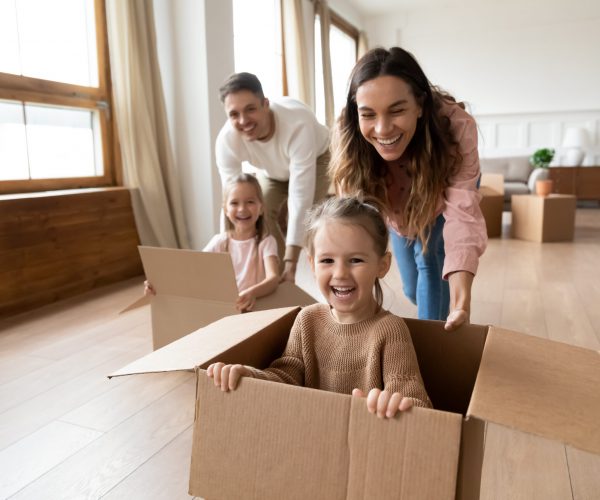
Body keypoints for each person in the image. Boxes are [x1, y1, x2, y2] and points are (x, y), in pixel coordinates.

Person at [207, 196, 432, 418]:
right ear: (312, 264)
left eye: (355, 260)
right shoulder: (307, 320)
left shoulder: (390, 331)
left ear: (382, 266)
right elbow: (286, 377)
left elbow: (417, 402)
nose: (340, 273)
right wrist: (250, 376)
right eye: (327, 261)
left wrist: (395, 404)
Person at [329, 47, 487, 330]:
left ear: (420, 105)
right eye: (368, 114)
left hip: (441, 196)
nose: (383, 129)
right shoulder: (349, 132)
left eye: (397, 111)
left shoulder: (457, 128)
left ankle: (432, 345)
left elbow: (463, 218)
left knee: (429, 261)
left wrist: (461, 303)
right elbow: (349, 219)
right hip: (396, 208)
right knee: (413, 289)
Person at [215, 72, 330, 283]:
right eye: (234, 114)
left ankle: (300, 271)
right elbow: (229, 201)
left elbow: (300, 195)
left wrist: (292, 262)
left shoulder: (297, 123)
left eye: (250, 109)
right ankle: (273, 275)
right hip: (272, 170)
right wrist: (225, 253)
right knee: (260, 210)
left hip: (317, 158)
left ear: (265, 104)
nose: (243, 120)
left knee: (308, 218)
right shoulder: (226, 141)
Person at [145, 174, 279, 312]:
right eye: (234, 203)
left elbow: (273, 278)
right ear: (226, 210)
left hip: (255, 311)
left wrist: (251, 293)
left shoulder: (266, 242)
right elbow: (191, 268)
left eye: (250, 202)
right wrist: (159, 284)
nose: (242, 209)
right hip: (224, 310)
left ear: (261, 207)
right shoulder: (219, 242)